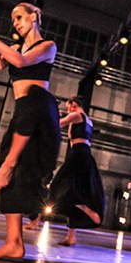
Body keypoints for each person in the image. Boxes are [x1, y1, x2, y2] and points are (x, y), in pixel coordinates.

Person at [0, 3, 61, 260]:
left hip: (36, 110)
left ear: (35, 16)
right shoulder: (16, 47)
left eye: (19, 17)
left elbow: (20, 62)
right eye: (13, 19)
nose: (16, 23)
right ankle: (14, 242)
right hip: (22, 110)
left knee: (11, 168)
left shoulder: (47, 46)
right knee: (8, 170)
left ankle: (16, 239)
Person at [49, 96, 105, 246]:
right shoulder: (88, 120)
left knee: (58, 185)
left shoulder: (76, 115)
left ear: (74, 104)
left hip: (78, 153)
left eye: (68, 107)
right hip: (84, 154)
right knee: (76, 188)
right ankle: (71, 236)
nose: (68, 110)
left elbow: (57, 124)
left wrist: (54, 114)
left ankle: (84, 208)